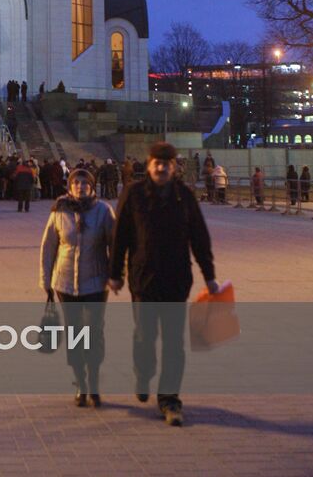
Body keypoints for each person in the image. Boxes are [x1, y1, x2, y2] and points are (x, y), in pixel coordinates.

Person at [108, 141, 219, 427]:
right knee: (144, 336)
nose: (161, 168)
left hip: (176, 281)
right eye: (157, 162)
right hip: (143, 280)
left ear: (174, 167)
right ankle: (143, 373)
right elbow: (120, 236)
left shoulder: (184, 196)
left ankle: (170, 399)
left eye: (166, 164)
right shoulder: (133, 194)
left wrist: (210, 275)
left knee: (173, 344)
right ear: (149, 164)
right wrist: (115, 273)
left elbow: (200, 237)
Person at [40, 168, 115, 407]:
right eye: (76, 183)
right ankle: (80, 382)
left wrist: (116, 275)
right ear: (69, 186)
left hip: (95, 281)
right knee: (74, 334)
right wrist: (46, 279)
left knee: (93, 332)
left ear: (92, 186)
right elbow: (48, 246)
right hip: (64, 283)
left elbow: (115, 244)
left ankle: (93, 380)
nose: (80, 187)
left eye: (85, 183)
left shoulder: (103, 211)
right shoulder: (59, 210)